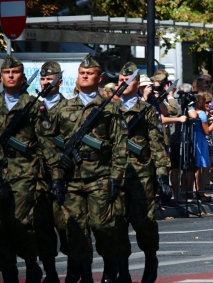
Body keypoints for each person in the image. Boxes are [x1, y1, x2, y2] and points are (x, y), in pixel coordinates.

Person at [55, 55, 128, 283]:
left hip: (100, 177)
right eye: (81, 73)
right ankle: (84, 273)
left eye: (89, 74)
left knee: (102, 226)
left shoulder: (109, 108)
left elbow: (120, 144)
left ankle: (110, 267)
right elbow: (48, 139)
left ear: (100, 78)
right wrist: (59, 158)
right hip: (72, 179)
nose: (84, 76)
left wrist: (116, 176)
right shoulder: (63, 107)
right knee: (76, 230)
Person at [0, 56, 64, 283]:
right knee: (2, 226)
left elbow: (46, 143)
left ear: (22, 76)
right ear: (1, 76)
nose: (10, 76)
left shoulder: (33, 105)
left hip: (26, 174)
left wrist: (56, 176)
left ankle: (30, 262)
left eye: (15, 72)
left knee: (21, 223)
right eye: (6, 73)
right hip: (1, 174)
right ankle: (8, 270)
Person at [114, 63, 171, 283]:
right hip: (115, 175)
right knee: (117, 224)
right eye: (119, 80)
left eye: (126, 81)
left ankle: (150, 259)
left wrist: (162, 174)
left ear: (136, 84)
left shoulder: (145, 109)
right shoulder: (109, 107)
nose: (122, 84)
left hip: (141, 176)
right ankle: (123, 270)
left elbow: (156, 144)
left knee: (144, 223)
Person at [33, 62, 70, 283]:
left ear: (59, 82)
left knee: (65, 226)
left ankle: (74, 262)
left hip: (64, 176)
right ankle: (51, 272)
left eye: (51, 79)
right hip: (38, 176)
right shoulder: (32, 108)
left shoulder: (69, 108)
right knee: (42, 226)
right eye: (43, 79)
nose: (46, 82)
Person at [188, 94, 213, 198]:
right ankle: (199, 192)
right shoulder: (202, 113)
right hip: (200, 141)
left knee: (195, 168)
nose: (209, 104)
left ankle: (193, 191)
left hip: (193, 140)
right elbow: (207, 131)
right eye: (206, 102)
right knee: (201, 168)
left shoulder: (193, 112)